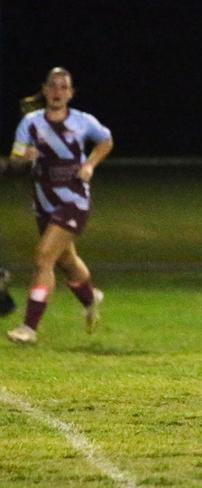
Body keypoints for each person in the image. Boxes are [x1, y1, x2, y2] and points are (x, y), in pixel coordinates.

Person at [6, 67, 113, 344]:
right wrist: (25, 157)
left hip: (74, 200)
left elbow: (106, 141)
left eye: (63, 87)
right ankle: (91, 299)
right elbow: (15, 159)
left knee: (44, 257)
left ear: (71, 92)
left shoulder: (82, 121)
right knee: (67, 260)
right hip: (43, 202)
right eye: (53, 86)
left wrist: (89, 164)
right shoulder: (30, 123)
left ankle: (29, 327)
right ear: (44, 90)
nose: (57, 92)